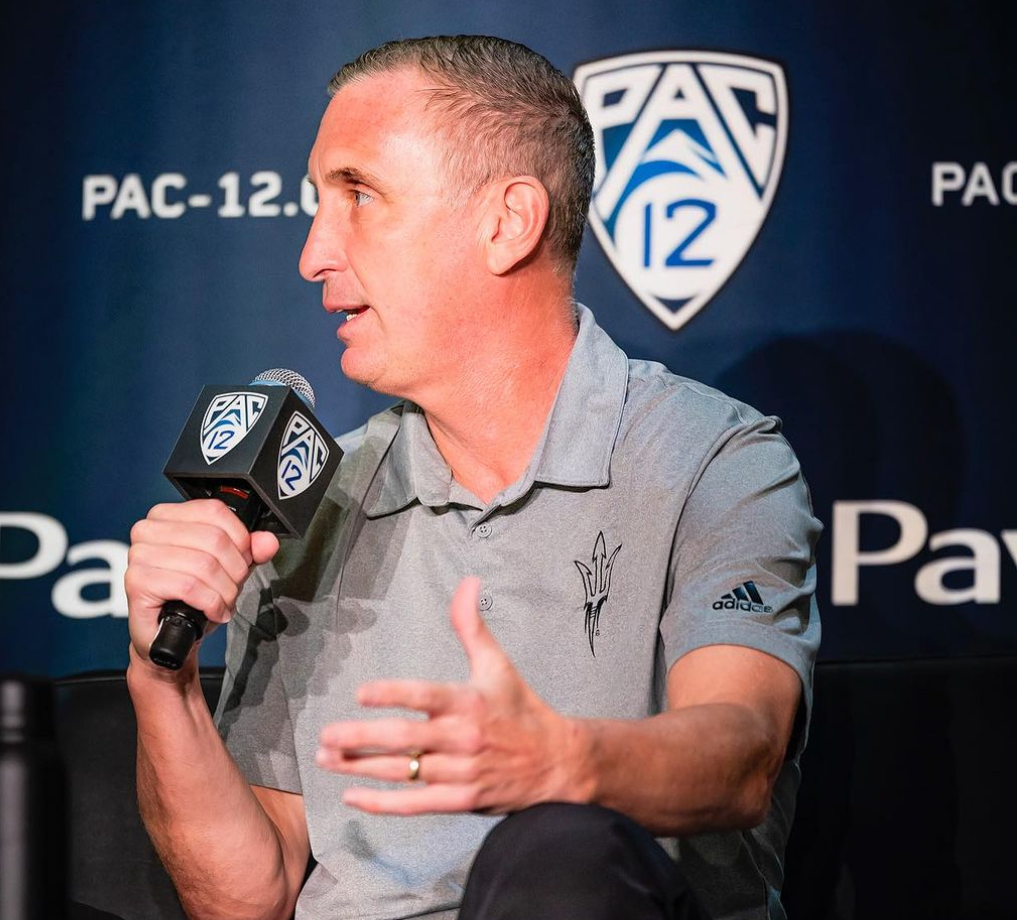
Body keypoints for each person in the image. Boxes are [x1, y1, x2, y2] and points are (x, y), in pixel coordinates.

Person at [125, 35, 820, 920]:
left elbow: (742, 753)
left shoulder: (713, 458)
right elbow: (243, 899)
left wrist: (562, 761)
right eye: (316, 203)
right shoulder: (309, 501)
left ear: (506, 223)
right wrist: (162, 680)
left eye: (358, 195)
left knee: (558, 850)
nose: (311, 255)